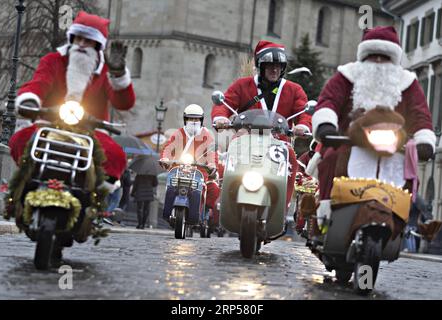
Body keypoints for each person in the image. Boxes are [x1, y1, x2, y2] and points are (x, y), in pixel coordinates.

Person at [311, 26, 435, 221]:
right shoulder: (347, 76)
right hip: (348, 141)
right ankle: (326, 215)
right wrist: (326, 124)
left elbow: (420, 114)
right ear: (364, 57)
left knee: (410, 176)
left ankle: (403, 222)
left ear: (394, 60)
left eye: (384, 56)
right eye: (373, 55)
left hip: (393, 147)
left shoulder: (407, 82)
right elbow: (329, 100)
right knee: (331, 159)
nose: (378, 61)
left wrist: (424, 140)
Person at [8, 11, 136, 192]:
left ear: (98, 44)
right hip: (50, 123)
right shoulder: (53, 61)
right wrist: (30, 101)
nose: (82, 44)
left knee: (115, 155)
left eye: (88, 40)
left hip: (90, 130)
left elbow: (123, 103)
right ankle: (27, 183)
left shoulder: (105, 70)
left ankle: (95, 200)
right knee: (21, 139)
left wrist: (118, 74)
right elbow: (39, 83)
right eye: (79, 39)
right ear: (72, 38)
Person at [211, 40, 312, 207]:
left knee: (291, 158)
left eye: (278, 66)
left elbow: (304, 112)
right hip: (246, 137)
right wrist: (220, 118)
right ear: (260, 66)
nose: (274, 69)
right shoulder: (242, 85)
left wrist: (303, 126)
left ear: (283, 68)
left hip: (278, 141)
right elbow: (224, 104)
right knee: (232, 151)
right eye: (270, 65)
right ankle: (226, 196)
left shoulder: (294, 89)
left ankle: (282, 204)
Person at [160, 104, 219, 216]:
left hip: (199, 170)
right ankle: (168, 211)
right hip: (178, 167)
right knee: (171, 188)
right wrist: (166, 158)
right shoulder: (178, 133)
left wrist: (211, 163)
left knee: (200, 191)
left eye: (196, 119)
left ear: (201, 120)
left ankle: (198, 213)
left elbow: (211, 153)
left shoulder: (207, 135)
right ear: (185, 119)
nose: (193, 121)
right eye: (190, 118)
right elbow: (168, 147)